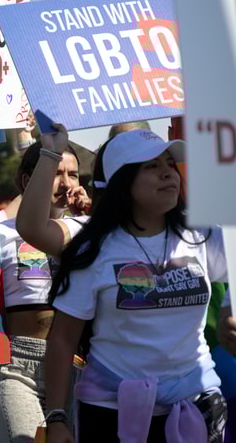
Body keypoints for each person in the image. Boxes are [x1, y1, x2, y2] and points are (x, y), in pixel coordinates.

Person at [43, 127, 228, 442]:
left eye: (170, 164)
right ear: (123, 183)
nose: (168, 173)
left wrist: (228, 311)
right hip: (111, 412)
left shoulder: (204, 235)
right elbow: (62, 340)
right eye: (152, 166)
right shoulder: (94, 250)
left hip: (197, 405)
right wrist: (56, 417)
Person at [0, 142, 88, 443]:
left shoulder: (90, 231)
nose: (66, 183)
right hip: (16, 368)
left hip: (76, 367)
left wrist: (93, 216)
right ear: (28, 180)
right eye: (56, 173)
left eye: (73, 174)